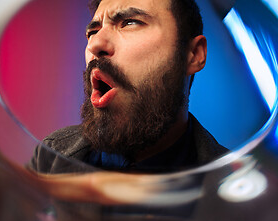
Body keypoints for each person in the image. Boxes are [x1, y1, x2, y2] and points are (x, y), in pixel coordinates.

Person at [31, 0, 228, 174]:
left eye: (130, 23)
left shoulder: (245, 197)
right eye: (92, 32)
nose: (95, 44)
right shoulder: (51, 155)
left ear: (193, 54)